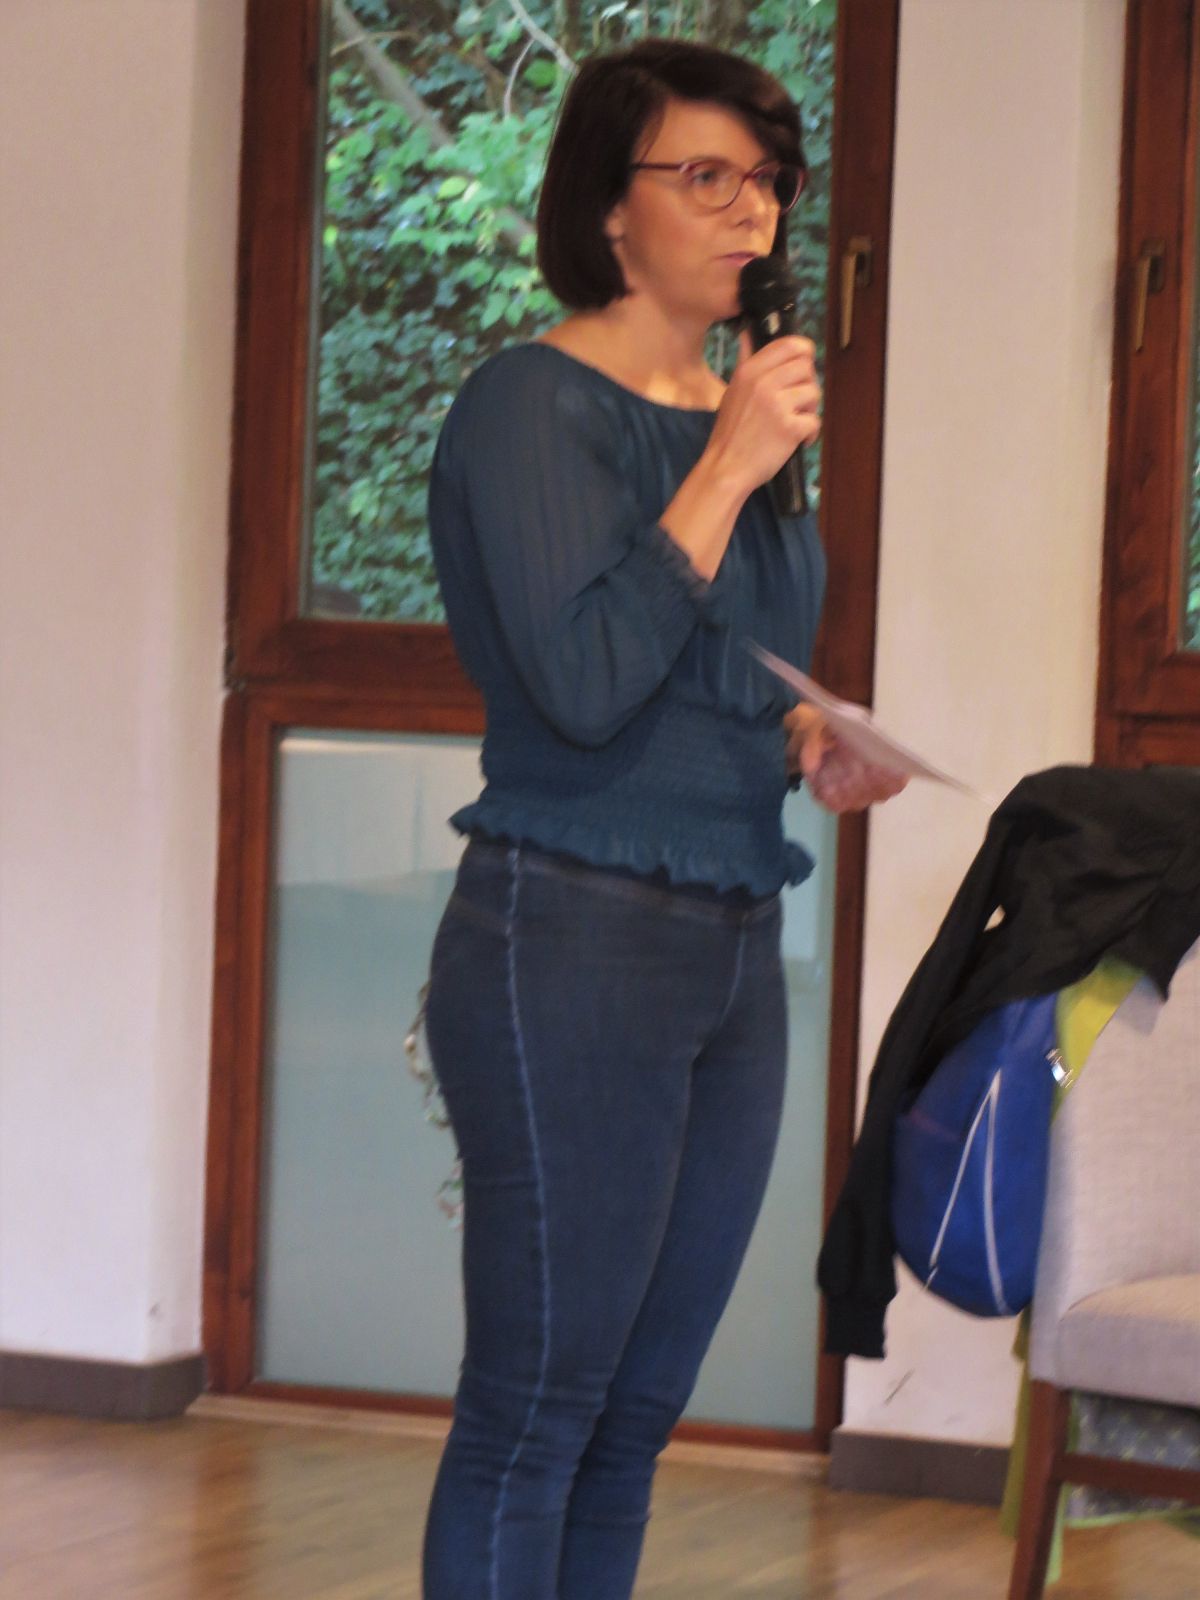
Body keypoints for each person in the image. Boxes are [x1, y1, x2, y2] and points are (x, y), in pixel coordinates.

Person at [420, 35, 905, 1600]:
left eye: (767, 180)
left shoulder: (739, 419)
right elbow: (579, 683)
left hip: (734, 945)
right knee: (537, 1411)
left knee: (633, 1421)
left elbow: (708, 673)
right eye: (705, 177)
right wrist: (729, 462)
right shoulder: (527, 406)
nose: (750, 211)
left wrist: (809, 737)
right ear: (606, 208)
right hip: (567, 936)